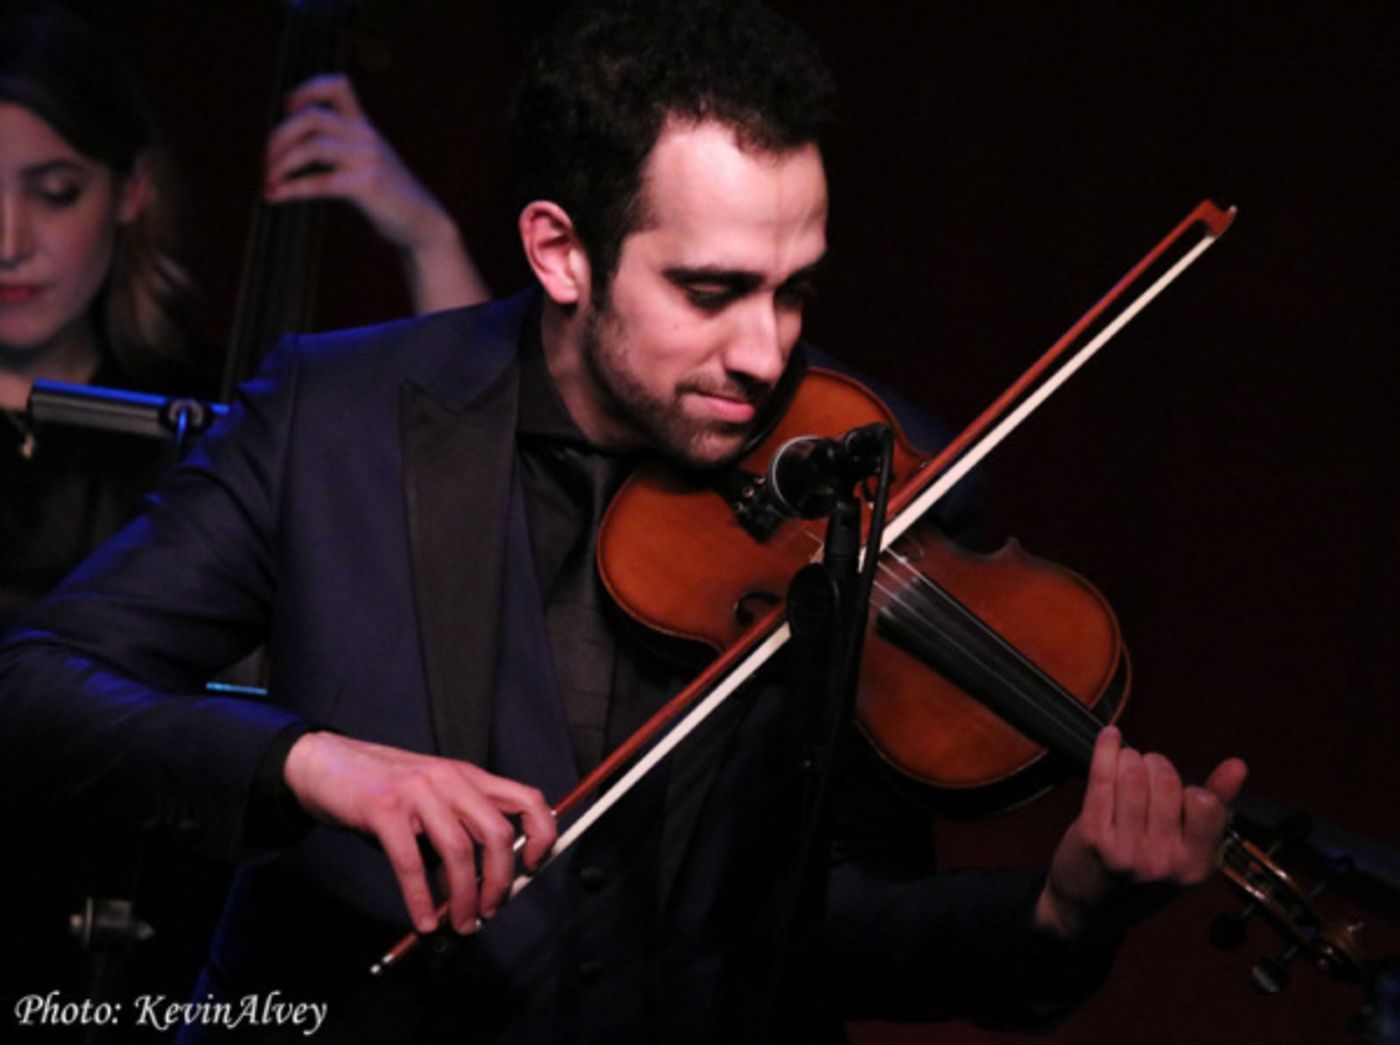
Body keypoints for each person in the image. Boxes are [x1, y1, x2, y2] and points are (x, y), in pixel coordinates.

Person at [0, 1, 1246, 1041]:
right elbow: (36, 686)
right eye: (709, 291)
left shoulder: (860, 469)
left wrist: (1058, 914)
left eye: (792, 287)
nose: (765, 352)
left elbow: (826, 925)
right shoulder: (335, 416)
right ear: (559, 252)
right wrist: (309, 761)